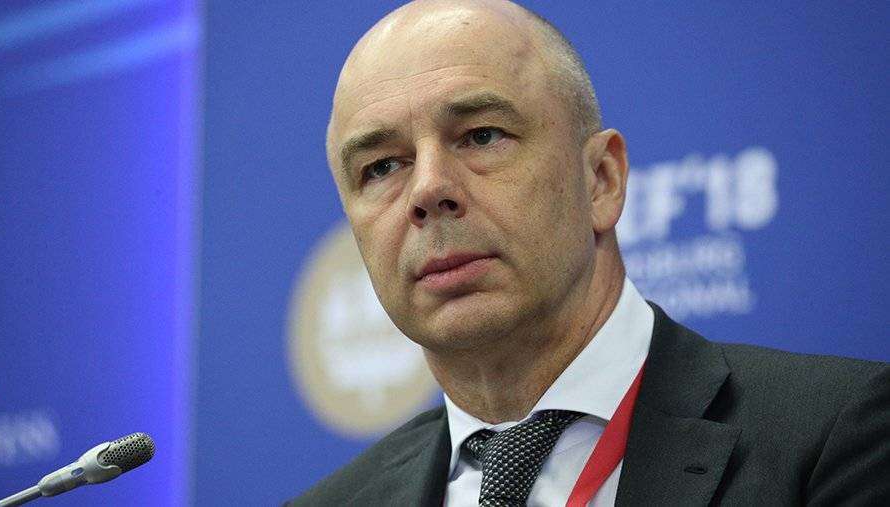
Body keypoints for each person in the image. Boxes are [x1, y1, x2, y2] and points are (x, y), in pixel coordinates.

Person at [288, 0, 890, 505]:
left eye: (481, 136)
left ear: (601, 180)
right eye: (381, 167)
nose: (427, 190)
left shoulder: (835, 437)